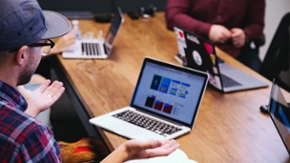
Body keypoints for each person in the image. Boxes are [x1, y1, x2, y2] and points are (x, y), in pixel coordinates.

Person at [0, 0, 179, 162]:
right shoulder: (31, 136)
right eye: (43, 45)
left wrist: (29, 111)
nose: (42, 53)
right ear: (22, 55)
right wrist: (125, 152)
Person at [165, 0, 266, 72]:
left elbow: (257, 24)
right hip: (193, 44)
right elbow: (173, 16)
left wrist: (246, 35)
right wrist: (208, 30)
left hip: (234, 53)